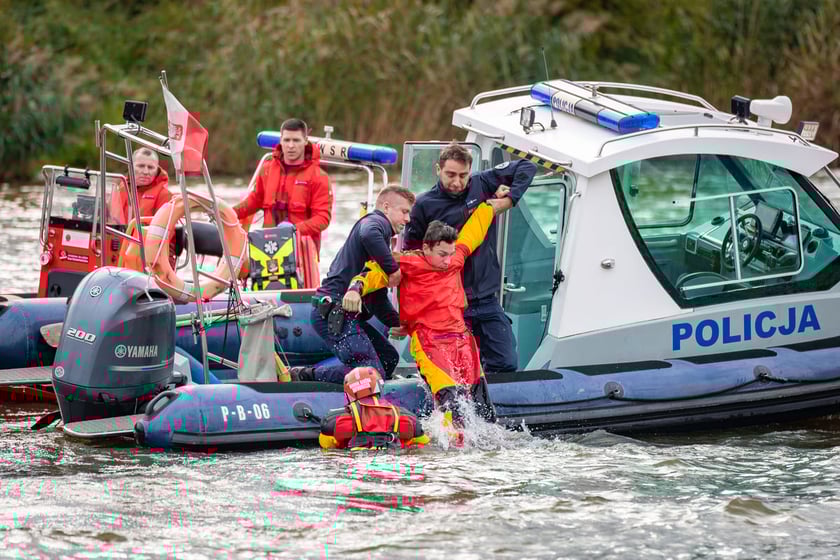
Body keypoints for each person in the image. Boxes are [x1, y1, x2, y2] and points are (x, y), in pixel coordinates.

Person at [349, 197, 510, 433]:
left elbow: (474, 232)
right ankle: (447, 452)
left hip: (462, 340)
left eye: (450, 254)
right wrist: (355, 289)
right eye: (442, 254)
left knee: (483, 408)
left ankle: (483, 455)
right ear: (426, 248)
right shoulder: (406, 264)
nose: (448, 261)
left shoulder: (455, 258)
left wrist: (488, 206)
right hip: (429, 341)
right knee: (451, 401)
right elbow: (372, 273)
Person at [404, 143, 536, 373]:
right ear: (438, 169)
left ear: (470, 172)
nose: (457, 182)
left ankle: (489, 401)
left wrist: (508, 201)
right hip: (449, 303)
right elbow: (412, 256)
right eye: (450, 175)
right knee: (456, 368)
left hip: (486, 297)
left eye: (463, 175)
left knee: (506, 362)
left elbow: (526, 167)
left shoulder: (482, 182)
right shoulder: (423, 205)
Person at [291, 185, 415, 384]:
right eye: (404, 212)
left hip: (346, 314)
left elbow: (378, 300)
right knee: (371, 371)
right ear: (386, 207)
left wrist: (403, 324)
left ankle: (383, 393)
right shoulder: (377, 222)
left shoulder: (380, 241)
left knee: (389, 359)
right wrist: (393, 269)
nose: (408, 219)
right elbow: (368, 233)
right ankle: (305, 376)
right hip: (332, 312)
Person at [234, 118, 333, 254]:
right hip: (268, 246)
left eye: (296, 140)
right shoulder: (267, 168)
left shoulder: (319, 177)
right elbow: (255, 200)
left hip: (302, 251)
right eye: (287, 140)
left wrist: (293, 229)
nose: (291, 146)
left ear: (305, 141)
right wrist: (229, 213)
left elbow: (322, 218)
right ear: (281, 140)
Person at [319, 367, 429, 450]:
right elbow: (423, 443)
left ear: (349, 392)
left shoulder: (334, 421)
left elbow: (326, 445)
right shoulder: (408, 419)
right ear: (379, 386)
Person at [109, 147, 171, 224]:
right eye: (141, 166)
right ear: (130, 166)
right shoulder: (121, 187)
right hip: (118, 233)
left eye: (150, 167)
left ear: (157, 170)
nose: (145, 172)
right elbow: (110, 218)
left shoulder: (164, 195)